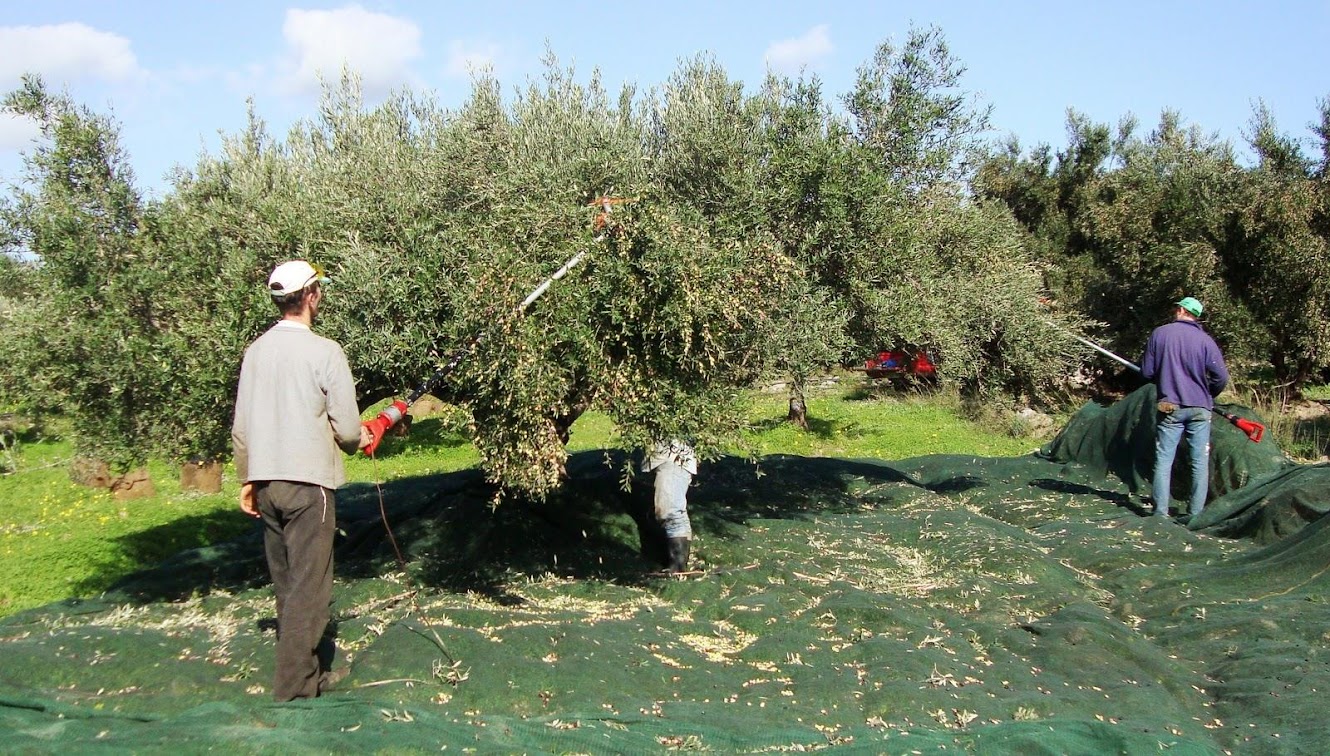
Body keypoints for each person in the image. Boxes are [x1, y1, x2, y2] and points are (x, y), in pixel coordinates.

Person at [232, 260, 371, 701]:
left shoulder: (255, 352)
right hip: (309, 487)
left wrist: (246, 480)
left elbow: (241, 427)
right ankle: (292, 692)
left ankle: (307, 675)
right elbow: (348, 430)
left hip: (267, 484)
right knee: (310, 592)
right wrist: (361, 437)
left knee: (289, 584)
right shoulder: (325, 351)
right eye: (319, 288)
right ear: (311, 296)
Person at [1140, 296, 1229, 520]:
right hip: (1200, 408)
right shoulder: (1206, 341)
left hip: (1169, 406)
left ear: (1180, 310)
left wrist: (1162, 375)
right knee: (1199, 462)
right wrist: (1209, 393)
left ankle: (1160, 513)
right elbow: (1220, 376)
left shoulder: (1160, 334)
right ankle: (1196, 514)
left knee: (1164, 460)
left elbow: (1147, 372)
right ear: (1195, 315)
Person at [642, 439, 697, 573]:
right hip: (664, 457)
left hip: (673, 458)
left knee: (671, 512)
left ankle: (677, 567)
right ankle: (677, 566)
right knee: (669, 511)